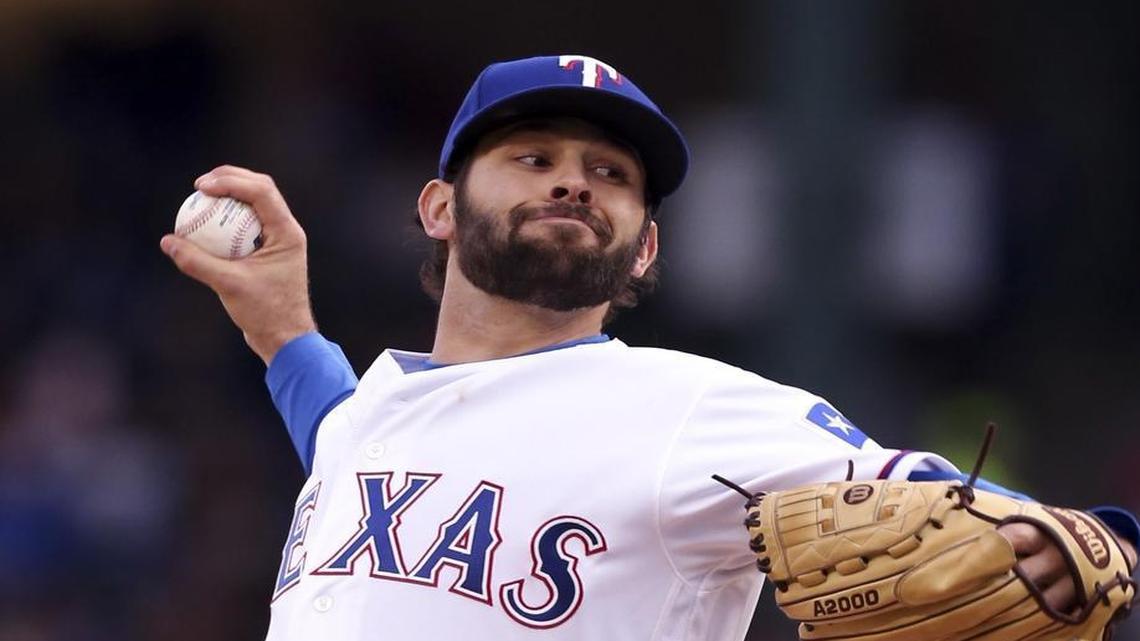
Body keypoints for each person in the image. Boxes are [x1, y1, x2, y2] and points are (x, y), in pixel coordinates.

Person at [160, 54, 1138, 640]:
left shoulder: (694, 408)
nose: (574, 183)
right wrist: (281, 326)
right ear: (439, 208)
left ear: (647, 248)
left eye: (609, 173)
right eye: (533, 158)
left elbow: (941, 499)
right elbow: (345, 425)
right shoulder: (371, 411)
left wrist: (1109, 537)